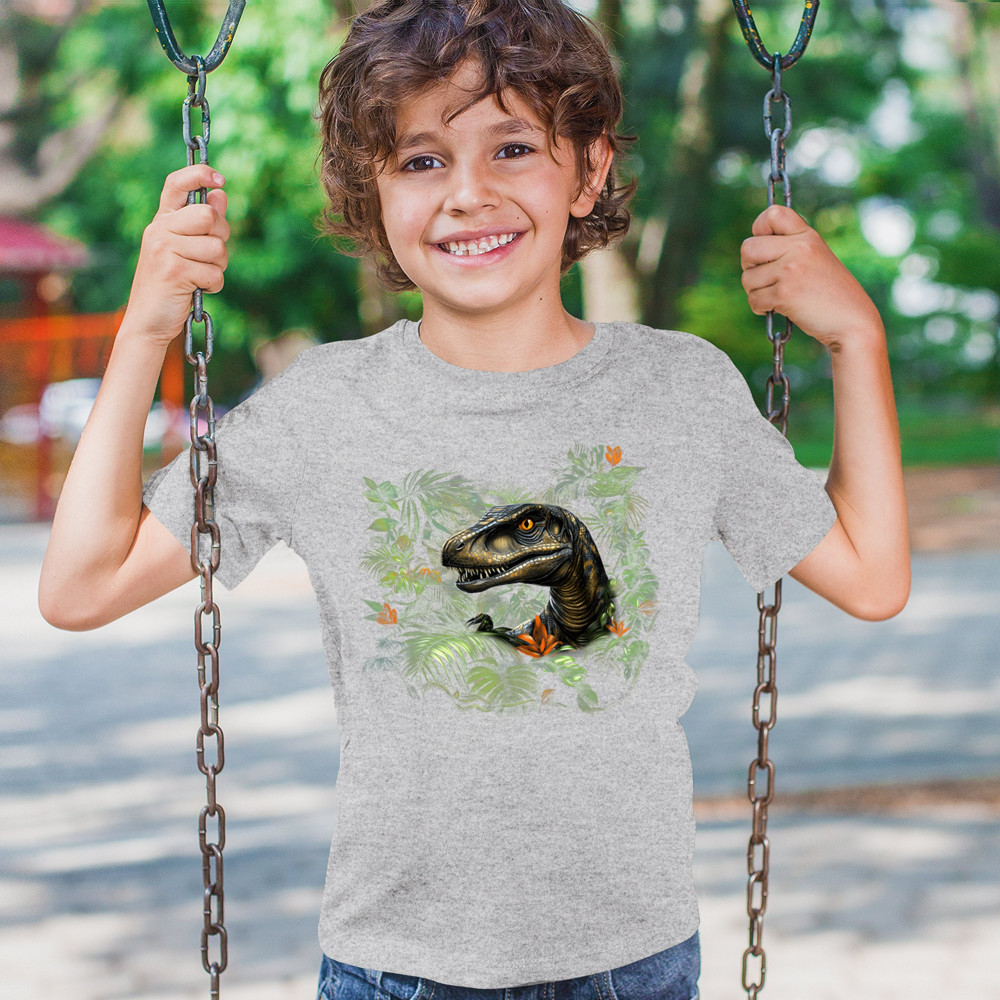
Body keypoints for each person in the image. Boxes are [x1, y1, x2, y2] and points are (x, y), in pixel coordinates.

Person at [38, 1, 910, 998]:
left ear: (587, 171)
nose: (467, 194)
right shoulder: (323, 407)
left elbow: (871, 578)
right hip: (395, 965)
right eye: (421, 160)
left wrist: (857, 340)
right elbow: (80, 586)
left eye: (511, 148)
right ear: (372, 190)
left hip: (630, 961)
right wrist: (144, 329)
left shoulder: (679, 389)